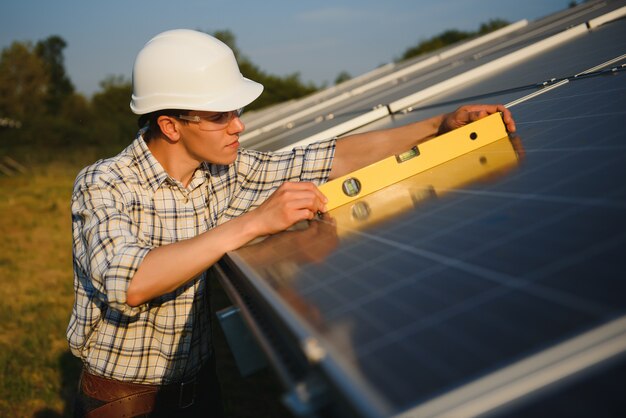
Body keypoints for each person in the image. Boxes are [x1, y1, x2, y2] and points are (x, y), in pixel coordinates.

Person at [68, 29, 516, 417]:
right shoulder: (104, 184)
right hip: (127, 404)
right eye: (221, 115)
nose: (238, 126)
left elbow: (330, 158)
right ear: (170, 126)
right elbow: (130, 281)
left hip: (200, 389)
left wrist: (439, 125)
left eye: (236, 112)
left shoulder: (225, 172)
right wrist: (253, 223)